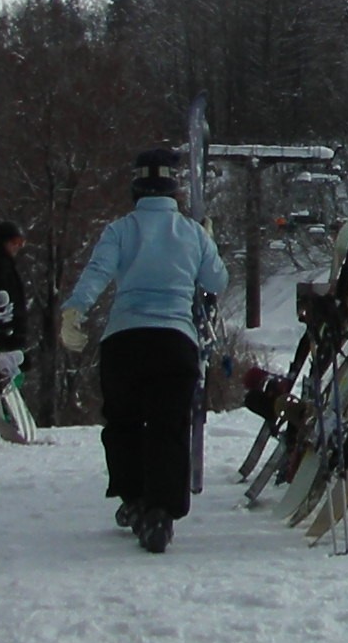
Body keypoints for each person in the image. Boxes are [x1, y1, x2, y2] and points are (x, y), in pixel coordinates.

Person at [60, 155, 227, 554]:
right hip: (175, 340)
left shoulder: (120, 230)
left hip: (125, 339)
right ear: (175, 190)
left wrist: (74, 311)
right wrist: (209, 241)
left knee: (124, 422)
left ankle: (132, 498)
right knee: (170, 426)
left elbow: (97, 272)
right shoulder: (192, 233)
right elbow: (216, 280)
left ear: (135, 189)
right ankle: (163, 510)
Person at [0, 223, 31, 388]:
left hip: (10, 332)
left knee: (20, 365)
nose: (18, 247)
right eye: (15, 242)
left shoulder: (7, 265)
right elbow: (3, 300)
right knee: (1, 379)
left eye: (21, 243)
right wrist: (12, 330)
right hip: (3, 333)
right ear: (4, 241)